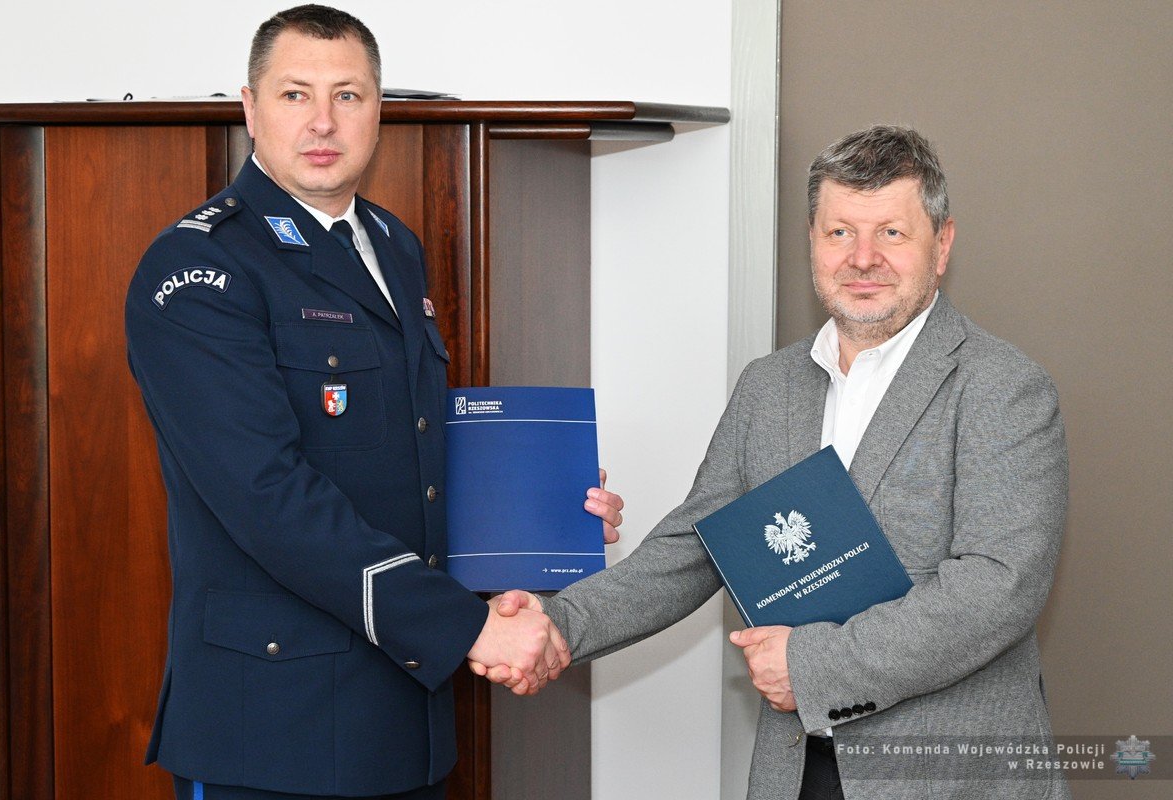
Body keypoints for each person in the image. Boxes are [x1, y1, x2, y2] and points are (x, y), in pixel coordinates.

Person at [483, 126, 1069, 800]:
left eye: (892, 233)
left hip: (943, 776)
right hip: (796, 769)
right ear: (812, 241)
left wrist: (812, 666)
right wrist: (558, 624)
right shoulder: (769, 386)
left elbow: (995, 590)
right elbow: (695, 546)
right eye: (840, 232)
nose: (863, 258)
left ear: (942, 245)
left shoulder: (1003, 387)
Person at [125, 5, 622, 799]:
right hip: (273, 727)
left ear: (378, 109)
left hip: (399, 712)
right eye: (295, 94)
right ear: (250, 107)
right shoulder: (198, 271)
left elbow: (412, 453)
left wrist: (541, 518)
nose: (323, 121)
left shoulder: (390, 243)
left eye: (348, 95)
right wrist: (468, 628)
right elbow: (267, 497)